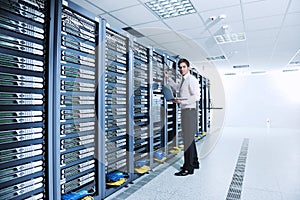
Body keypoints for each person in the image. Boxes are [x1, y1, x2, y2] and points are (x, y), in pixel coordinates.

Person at [165, 58, 200, 176]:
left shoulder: (192, 80)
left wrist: (182, 101)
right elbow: (176, 87)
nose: (181, 69)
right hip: (186, 111)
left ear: (188, 68)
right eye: (180, 67)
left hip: (189, 111)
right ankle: (194, 162)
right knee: (190, 139)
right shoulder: (183, 80)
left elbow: (196, 97)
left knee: (187, 141)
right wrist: (167, 78)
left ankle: (188, 168)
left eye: (184, 67)